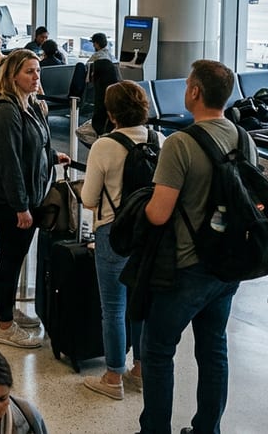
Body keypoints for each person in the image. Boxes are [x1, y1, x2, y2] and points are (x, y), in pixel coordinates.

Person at [138, 60, 248, 434]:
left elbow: (158, 212)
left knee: (157, 349)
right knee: (214, 349)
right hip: (228, 264)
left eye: (187, 84)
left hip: (186, 267)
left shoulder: (181, 143)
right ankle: (207, 428)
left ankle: (155, 429)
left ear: (196, 92)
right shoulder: (242, 137)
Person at [80, 81, 160, 399]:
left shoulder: (104, 145)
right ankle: (140, 370)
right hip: (149, 233)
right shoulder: (159, 140)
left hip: (112, 232)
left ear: (112, 114)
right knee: (140, 304)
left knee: (113, 307)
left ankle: (114, 377)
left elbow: (88, 198)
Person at [0, 50, 69, 349]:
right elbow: (8, 162)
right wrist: (20, 206)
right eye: (29, 72)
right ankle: (4, 325)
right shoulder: (6, 110)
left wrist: (51, 156)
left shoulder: (30, 104)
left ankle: (8, 312)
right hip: (11, 200)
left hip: (30, 193)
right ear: (12, 76)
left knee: (16, 257)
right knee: (9, 260)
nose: (36, 77)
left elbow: (35, 144)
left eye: (38, 71)